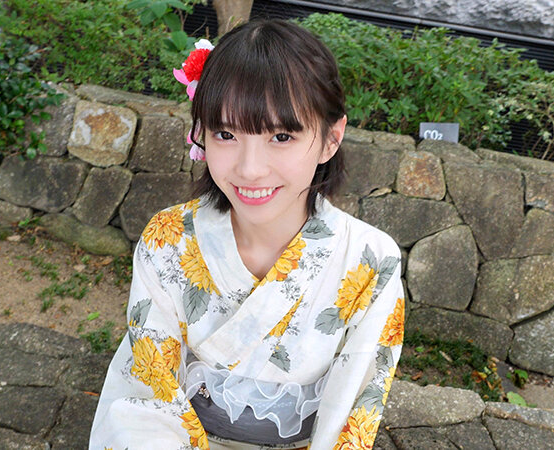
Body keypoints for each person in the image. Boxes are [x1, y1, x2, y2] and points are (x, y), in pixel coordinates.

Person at [90, 19, 404, 450]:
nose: (250, 168)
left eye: (282, 136)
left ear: (331, 139)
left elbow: (352, 409)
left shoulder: (370, 259)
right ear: (201, 135)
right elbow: (151, 389)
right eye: (225, 134)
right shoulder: (168, 239)